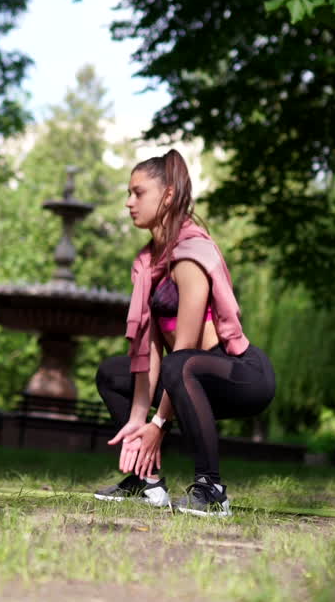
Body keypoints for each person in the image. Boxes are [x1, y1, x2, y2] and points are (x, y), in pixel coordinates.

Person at [95, 149, 276, 515]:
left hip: (239, 373)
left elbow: (187, 345)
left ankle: (212, 490)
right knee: (113, 374)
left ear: (168, 195)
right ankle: (147, 482)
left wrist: (158, 424)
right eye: (128, 193)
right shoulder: (147, 265)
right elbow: (149, 353)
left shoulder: (191, 254)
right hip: (185, 372)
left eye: (138, 192)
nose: (129, 202)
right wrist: (136, 419)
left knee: (183, 364)